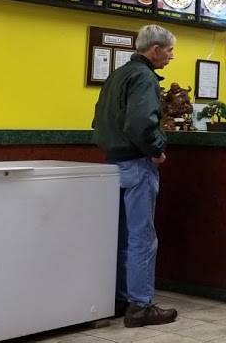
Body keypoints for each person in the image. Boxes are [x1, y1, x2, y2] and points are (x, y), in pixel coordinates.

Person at [92, 24, 178, 328]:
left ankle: (119, 298)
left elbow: (97, 119)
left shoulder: (117, 75)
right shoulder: (144, 77)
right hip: (137, 164)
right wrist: (156, 149)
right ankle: (140, 305)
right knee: (142, 236)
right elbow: (141, 122)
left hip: (112, 164)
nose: (171, 56)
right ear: (155, 50)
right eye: (169, 50)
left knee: (120, 236)